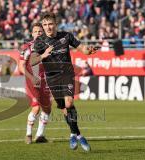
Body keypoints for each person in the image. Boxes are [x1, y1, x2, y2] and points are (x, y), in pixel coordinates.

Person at [30, 12, 99, 151]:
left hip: (66, 73)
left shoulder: (66, 36)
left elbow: (81, 48)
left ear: (56, 24)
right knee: (64, 109)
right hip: (51, 77)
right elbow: (32, 61)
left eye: (50, 24)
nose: (48, 27)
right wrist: (43, 55)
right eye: (45, 25)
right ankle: (77, 134)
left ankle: (74, 133)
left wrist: (88, 50)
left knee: (69, 102)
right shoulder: (39, 41)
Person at [19, 23, 52, 144]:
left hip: (45, 82)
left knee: (47, 109)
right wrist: (31, 78)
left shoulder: (49, 47)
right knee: (36, 107)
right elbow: (21, 67)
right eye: (36, 31)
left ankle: (40, 135)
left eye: (40, 31)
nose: (38, 33)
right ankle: (28, 134)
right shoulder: (26, 48)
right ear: (32, 34)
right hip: (31, 81)